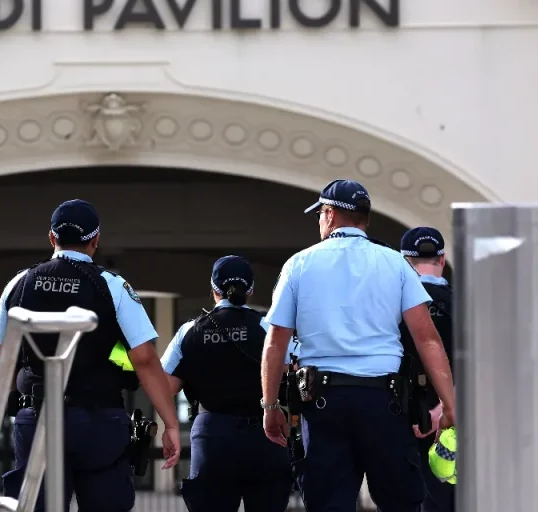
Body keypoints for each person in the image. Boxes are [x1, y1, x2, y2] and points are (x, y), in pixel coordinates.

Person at [259, 179, 457, 512]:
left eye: (320, 214)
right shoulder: (395, 263)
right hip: (385, 402)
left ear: (330, 214)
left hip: (323, 405)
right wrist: (450, 405)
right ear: (364, 219)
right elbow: (427, 339)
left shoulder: (299, 264)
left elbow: (275, 343)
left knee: (328, 503)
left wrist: (269, 405)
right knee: (400, 502)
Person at [0, 199, 181, 512]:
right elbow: (145, 358)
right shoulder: (112, 285)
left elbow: (5, 355)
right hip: (99, 421)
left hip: (37, 417)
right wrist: (171, 423)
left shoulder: (19, 283)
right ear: (96, 240)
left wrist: (16, 404)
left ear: (51, 238)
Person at [160, 255, 296, 512]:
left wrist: (170, 425)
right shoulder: (269, 328)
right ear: (251, 290)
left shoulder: (190, 331)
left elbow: (164, 387)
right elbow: (296, 368)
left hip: (212, 435)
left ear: (214, 290)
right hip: (266, 433)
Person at [399, 226, 455, 512]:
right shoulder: (465, 305)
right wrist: (445, 407)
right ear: (442, 260)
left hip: (399, 418)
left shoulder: (393, 305)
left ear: (403, 262)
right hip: (453, 424)